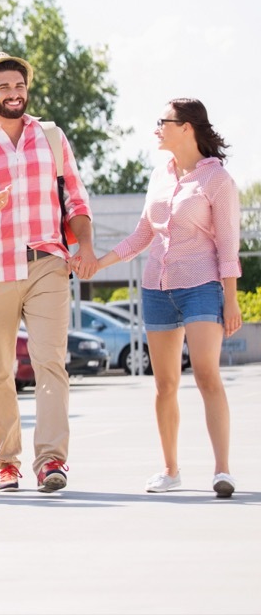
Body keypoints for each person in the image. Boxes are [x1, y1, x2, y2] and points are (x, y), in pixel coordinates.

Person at [0, 52, 96, 493]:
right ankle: (6, 461)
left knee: (50, 364)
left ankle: (50, 461)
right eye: (5, 87)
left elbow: (76, 200)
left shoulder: (50, 136)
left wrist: (83, 245)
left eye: (20, 85)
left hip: (48, 260)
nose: (15, 93)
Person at [95, 98, 241, 498]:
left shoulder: (218, 181)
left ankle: (222, 470)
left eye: (164, 121)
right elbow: (143, 233)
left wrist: (231, 299)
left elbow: (229, 247)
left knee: (208, 376)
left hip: (201, 287)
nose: (157, 128)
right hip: (157, 288)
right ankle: (170, 469)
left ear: (187, 127)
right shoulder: (160, 175)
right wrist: (99, 262)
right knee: (165, 385)